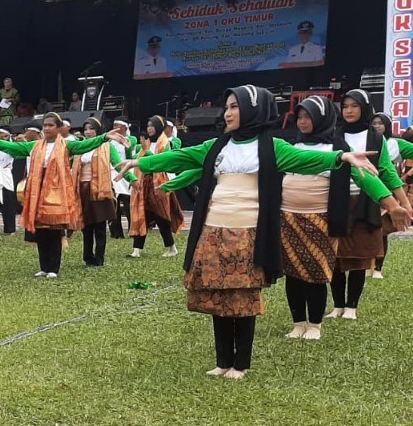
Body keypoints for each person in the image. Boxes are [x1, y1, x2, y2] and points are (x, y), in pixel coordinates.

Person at [117, 85, 399, 379]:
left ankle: (241, 364)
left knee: (243, 298)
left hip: (249, 233)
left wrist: (340, 158)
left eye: (235, 107)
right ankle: (223, 361)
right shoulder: (218, 145)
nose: (228, 113)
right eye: (227, 107)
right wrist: (140, 162)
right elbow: (183, 158)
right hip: (214, 232)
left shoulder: (272, 147)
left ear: (254, 110)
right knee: (218, 297)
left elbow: (307, 160)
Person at [280, 96, 392, 340]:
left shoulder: (336, 147)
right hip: (290, 219)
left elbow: (367, 178)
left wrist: (393, 205)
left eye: (308, 116)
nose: (302, 122)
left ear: (321, 118)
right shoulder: (292, 147)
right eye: (299, 117)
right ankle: (298, 322)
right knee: (293, 272)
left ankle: (315, 325)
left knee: (316, 270)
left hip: (321, 219)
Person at [0, 113, 111, 278]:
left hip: (57, 193)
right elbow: (15, 148)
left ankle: (53, 268)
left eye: (51, 125)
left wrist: (104, 137)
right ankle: (44, 267)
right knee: (41, 231)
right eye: (45, 125)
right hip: (39, 192)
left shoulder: (66, 145)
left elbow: (86, 145)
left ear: (58, 128)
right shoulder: (35, 145)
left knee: (55, 230)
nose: (47, 128)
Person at [328, 90, 411, 320]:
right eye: (345, 106)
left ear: (364, 108)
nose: (349, 110)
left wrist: (404, 204)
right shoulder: (334, 134)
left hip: (366, 203)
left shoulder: (376, 137)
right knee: (336, 256)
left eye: (354, 106)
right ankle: (337, 305)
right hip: (338, 201)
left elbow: (386, 171)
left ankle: (351, 307)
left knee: (360, 256)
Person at [75, 118, 133, 267]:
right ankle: (88, 256)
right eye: (86, 129)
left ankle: (99, 258)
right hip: (83, 188)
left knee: (100, 225)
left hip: (100, 187)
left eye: (91, 129)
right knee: (86, 226)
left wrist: (132, 179)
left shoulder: (106, 147)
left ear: (98, 130)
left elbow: (119, 165)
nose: (88, 132)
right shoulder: (79, 146)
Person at [126, 116, 186, 259]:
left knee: (161, 215)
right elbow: (133, 159)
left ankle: (172, 248)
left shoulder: (165, 144)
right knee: (142, 215)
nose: (149, 128)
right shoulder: (144, 144)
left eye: (153, 125)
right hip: (143, 183)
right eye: (148, 125)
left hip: (158, 183)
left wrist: (147, 151)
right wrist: (129, 149)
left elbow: (163, 162)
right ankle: (137, 249)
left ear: (160, 127)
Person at [371, 112, 413, 279]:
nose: (376, 126)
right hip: (364, 193)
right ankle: (366, 266)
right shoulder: (363, 141)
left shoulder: (395, 144)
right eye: (373, 123)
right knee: (367, 230)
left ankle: (377, 269)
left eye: (380, 123)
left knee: (381, 231)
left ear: (387, 126)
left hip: (387, 194)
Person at [108, 117, 137, 239]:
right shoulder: (108, 142)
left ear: (125, 128)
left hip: (126, 170)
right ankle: (116, 232)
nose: (115, 128)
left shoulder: (131, 139)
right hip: (112, 172)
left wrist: (126, 145)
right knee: (114, 203)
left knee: (128, 202)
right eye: (114, 125)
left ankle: (133, 230)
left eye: (118, 126)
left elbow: (131, 155)